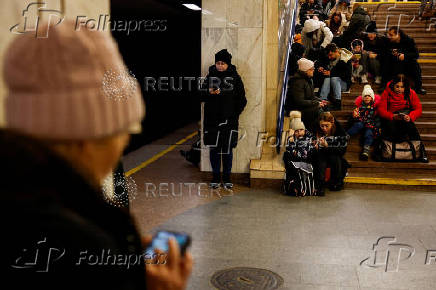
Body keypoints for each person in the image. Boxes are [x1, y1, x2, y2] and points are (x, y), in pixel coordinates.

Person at [3, 20, 193, 289]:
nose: (125, 140)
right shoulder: (73, 242)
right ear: (87, 136)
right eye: (123, 128)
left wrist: (116, 250)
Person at [201, 49, 247, 190]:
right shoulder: (210, 77)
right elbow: (201, 96)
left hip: (229, 121)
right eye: (218, 63)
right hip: (212, 121)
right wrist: (208, 92)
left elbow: (242, 100)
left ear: (228, 64)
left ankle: (227, 178)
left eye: (223, 63)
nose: (220, 66)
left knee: (227, 150)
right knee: (214, 149)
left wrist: (233, 114)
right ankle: (215, 178)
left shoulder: (235, 78)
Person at [378, 75, 428, 162]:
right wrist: (392, 116)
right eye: (397, 86)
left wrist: (411, 116)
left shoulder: (411, 93)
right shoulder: (386, 93)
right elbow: (381, 110)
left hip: (405, 118)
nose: (399, 89)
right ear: (393, 85)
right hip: (391, 119)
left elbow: (418, 109)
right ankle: (381, 151)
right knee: (388, 127)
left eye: (402, 87)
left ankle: (422, 152)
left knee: (411, 127)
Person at [285, 58, 329, 131]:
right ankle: (317, 132)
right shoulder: (298, 82)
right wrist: (317, 103)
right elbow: (299, 101)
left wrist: (321, 101)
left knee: (326, 108)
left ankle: (326, 132)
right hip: (296, 108)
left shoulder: (308, 79)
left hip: (305, 106)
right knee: (319, 111)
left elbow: (311, 96)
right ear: (306, 70)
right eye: (311, 69)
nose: (313, 70)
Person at [313, 112, 350, 195]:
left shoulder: (340, 132)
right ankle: (320, 185)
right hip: (321, 154)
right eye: (322, 125)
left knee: (335, 158)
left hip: (334, 155)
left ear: (332, 123)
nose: (324, 128)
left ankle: (335, 183)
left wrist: (327, 146)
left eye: (327, 126)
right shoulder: (316, 129)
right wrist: (315, 146)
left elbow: (342, 151)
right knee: (320, 158)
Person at [381, 27, 426, 95]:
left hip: (407, 64)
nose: (389, 37)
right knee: (386, 62)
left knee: (415, 65)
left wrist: (405, 56)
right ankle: (384, 85)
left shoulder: (408, 40)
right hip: (394, 63)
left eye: (391, 35)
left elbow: (416, 54)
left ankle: (418, 87)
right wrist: (392, 54)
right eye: (389, 35)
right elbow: (384, 53)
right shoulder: (388, 41)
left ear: (398, 34)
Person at [283, 111, 317, 196]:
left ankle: (308, 188)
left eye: (301, 130)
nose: (299, 133)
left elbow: (311, 148)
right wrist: (291, 139)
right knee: (287, 156)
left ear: (305, 130)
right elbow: (291, 150)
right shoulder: (292, 139)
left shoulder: (309, 137)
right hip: (297, 159)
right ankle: (295, 187)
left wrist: (314, 146)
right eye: (296, 131)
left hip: (307, 159)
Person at [347, 85, 381, 160]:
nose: (367, 97)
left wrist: (377, 125)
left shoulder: (375, 107)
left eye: (369, 96)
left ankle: (366, 150)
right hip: (361, 122)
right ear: (362, 98)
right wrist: (354, 115)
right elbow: (355, 116)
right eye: (365, 96)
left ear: (372, 98)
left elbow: (377, 117)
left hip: (370, 124)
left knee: (369, 133)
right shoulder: (359, 107)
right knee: (358, 125)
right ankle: (346, 135)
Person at [318, 43, 353, 110]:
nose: (329, 57)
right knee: (328, 79)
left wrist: (331, 73)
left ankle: (338, 103)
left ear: (336, 51)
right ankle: (323, 102)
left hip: (343, 84)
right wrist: (321, 68)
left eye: (331, 55)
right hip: (329, 84)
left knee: (333, 78)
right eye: (328, 55)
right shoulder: (327, 59)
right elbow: (318, 63)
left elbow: (347, 75)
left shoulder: (345, 59)